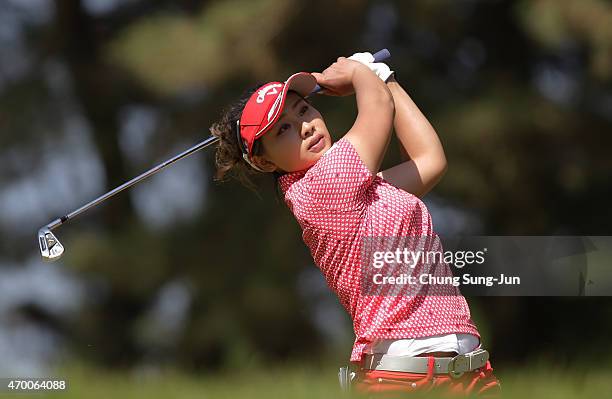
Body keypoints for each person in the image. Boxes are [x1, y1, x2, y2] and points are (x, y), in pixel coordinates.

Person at [210, 52, 501, 396]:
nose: (305, 126)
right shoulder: (323, 188)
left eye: (303, 110)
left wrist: (385, 78)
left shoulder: (360, 190)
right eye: (283, 129)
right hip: (404, 378)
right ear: (263, 160)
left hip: (467, 369)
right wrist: (360, 73)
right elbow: (376, 107)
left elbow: (429, 161)